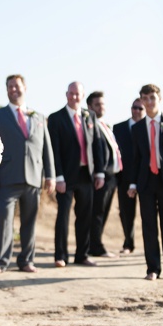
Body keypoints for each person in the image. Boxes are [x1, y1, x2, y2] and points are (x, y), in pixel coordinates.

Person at [0, 74, 56, 274]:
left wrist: (50, 176)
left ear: (25, 87)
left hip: (34, 178)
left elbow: (46, 149)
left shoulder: (39, 117)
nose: (13, 89)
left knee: (30, 222)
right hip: (7, 177)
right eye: (9, 87)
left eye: (16, 86)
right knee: (4, 220)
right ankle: (0, 262)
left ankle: (26, 261)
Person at [47, 81, 104, 267]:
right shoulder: (56, 118)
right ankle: (60, 256)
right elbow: (53, 150)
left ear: (82, 95)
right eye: (71, 93)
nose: (74, 97)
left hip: (86, 174)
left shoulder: (90, 116)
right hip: (66, 176)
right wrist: (58, 177)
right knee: (63, 216)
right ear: (66, 94)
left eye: (77, 94)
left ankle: (82, 255)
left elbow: (97, 145)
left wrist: (100, 173)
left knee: (85, 216)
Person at [127, 84, 163, 280]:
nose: (149, 101)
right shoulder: (136, 129)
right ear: (142, 101)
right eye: (145, 98)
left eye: (152, 97)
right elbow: (135, 158)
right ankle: (153, 269)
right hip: (145, 182)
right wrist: (132, 184)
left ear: (159, 98)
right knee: (149, 226)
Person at [86, 91, 121, 259]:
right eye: (97, 104)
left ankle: (95, 244)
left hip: (112, 176)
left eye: (103, 104)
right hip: (102, 176)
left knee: (104, 212)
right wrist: (99, 173)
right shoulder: (91, 125)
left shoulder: (105, 125)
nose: (101, 107)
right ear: (90, 107)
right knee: (97, 213)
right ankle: (96, 247)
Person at [112, 98, 145, 254]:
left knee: (148, 213)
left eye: (140, 108)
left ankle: (151, 247)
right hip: (124, 177)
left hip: (145, 176)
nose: (137, 111)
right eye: (134, 108)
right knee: (125, 212)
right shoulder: (118, 128)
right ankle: (128, 244)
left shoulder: (149, 128)